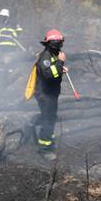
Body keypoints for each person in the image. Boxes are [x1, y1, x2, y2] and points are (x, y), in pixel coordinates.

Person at [28, 29, 67, 160]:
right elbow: (49, 76)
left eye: (61, 43)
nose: (60, 46)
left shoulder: (51, 55)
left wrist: (60, 68)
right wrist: (60, 63)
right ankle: (45, 149)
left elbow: (54, 72)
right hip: (45, 95)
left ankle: (48, 141)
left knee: (51, 118)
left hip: (50, 94)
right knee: (48, 120)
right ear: (50, 43)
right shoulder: (45, 57)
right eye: (58, 43)